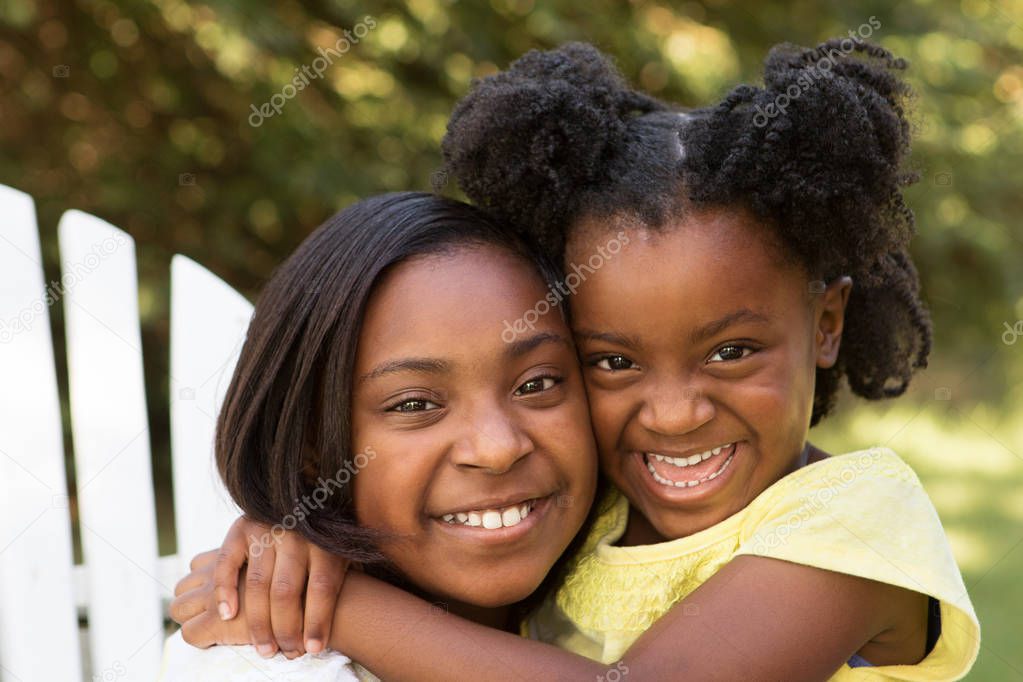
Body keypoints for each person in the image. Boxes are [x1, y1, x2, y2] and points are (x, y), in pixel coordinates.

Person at [175, 39, 980, 680]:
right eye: (611, 363)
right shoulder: (589, 513)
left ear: (827, 323)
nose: (673, 414)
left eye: (730, 351)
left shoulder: (851, 523)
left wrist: (344, 605)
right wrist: (304, 544)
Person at [160, 191, 599, 680]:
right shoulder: (264, 670)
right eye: (415, 404)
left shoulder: (632, 580)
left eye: (536, 384)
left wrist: (349, 608)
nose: (497, 449)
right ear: (310, 450)